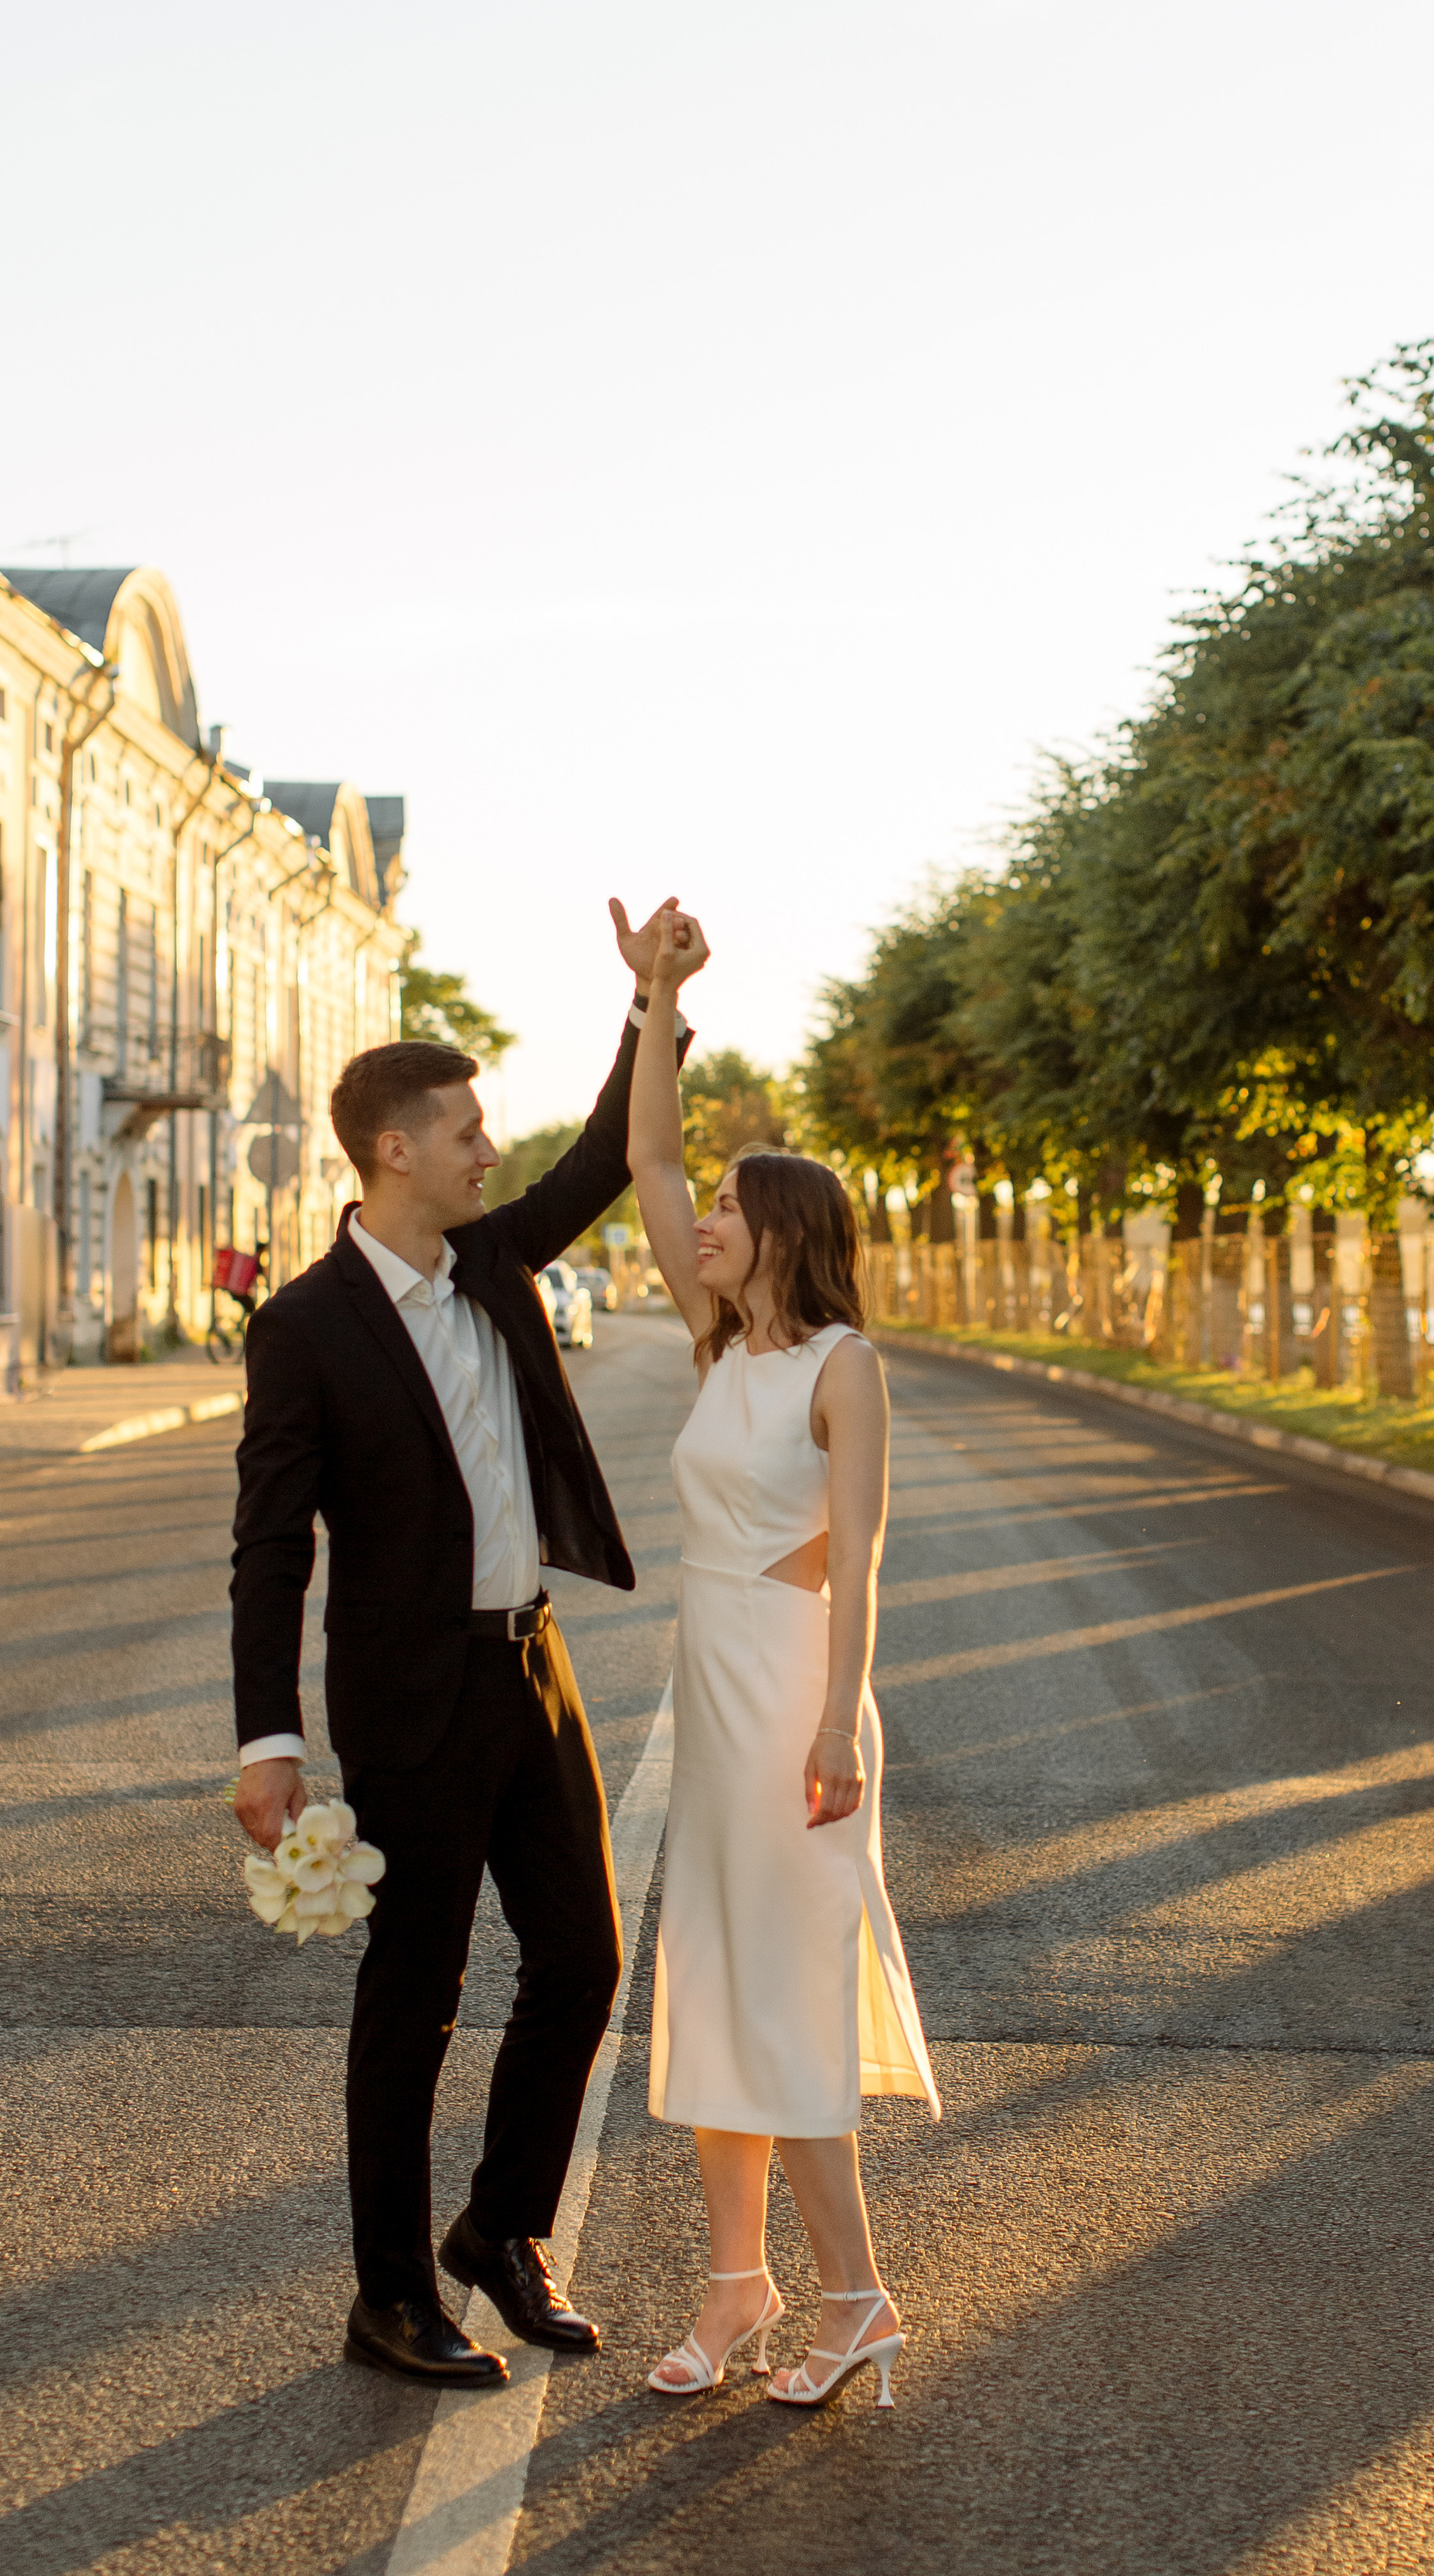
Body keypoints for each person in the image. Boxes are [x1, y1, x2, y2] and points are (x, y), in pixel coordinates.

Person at [230, 900, 701, 2387]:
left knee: (583, 1960)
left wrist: (647, 1006)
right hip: (413, 1703)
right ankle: (387, 2297)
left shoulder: (496, 1262)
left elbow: (598, 1162)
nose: (488, 1150)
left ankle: (499, 2232)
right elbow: (270, 1544)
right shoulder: (305, 1327)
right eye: (464, 1132)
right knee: (414, 1995)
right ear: (392, 1155)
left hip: (532, 1669)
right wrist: (269, 1739)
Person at [626, 907, 940, 2412]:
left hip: (794, 1705)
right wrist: (653, 1006)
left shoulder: (839, 1364)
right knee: (718, 1982)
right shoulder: (716, 1340)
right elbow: (646, 1164)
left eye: (727, 1211)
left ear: (786, 1230)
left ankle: (853, 2292)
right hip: (710, 1692)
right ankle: (736, 2278)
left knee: (789, 1997)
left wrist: (834, 1727)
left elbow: (859, 1552)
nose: (698, 1223)